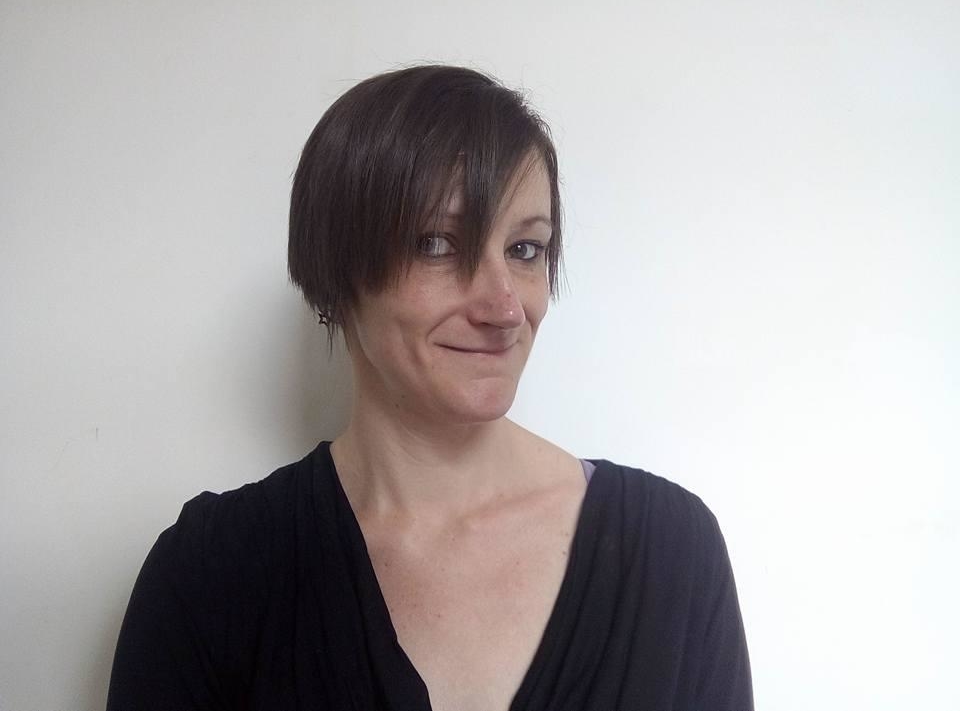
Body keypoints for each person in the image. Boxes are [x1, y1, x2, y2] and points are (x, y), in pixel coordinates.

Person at [106, 65, 753, 711]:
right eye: (439, 244)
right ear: (336, 273)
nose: (505, 308)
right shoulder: (213, 574)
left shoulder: (673, 553)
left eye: (525, 249)